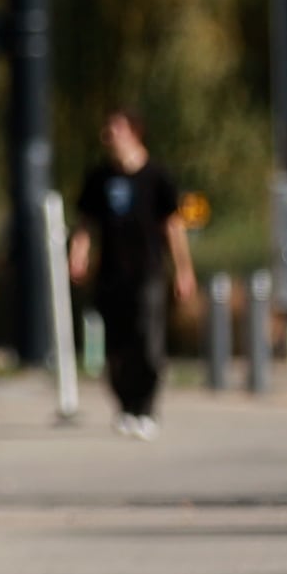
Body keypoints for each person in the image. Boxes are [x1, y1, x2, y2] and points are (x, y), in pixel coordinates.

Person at [69, 110, 198, 438]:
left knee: (147, 341)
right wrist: (78, 254)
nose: (109, 136)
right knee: (116, 345)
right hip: (111, 273)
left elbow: (173, 226)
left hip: (148, 272)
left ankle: (146, 407)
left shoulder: (157, 177)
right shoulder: (99, 177)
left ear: (134, 133)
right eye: (107, 130)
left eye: (116, 130)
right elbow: (86, 223)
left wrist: (184, 270)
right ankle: (125, 406)